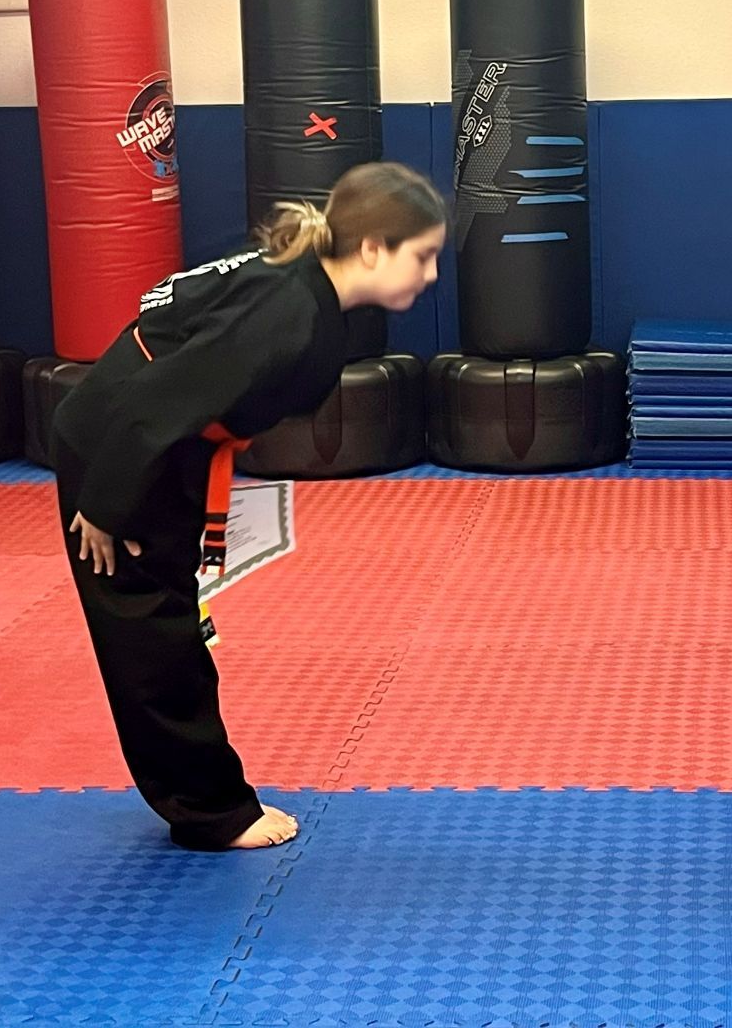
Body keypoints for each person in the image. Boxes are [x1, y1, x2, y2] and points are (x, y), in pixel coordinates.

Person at [51, 162, 446, 851]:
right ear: (375, 248)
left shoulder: (302, 292)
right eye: (424, 256)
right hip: (122, 448)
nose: (432, 274)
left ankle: (205, 797)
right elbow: (155, 399)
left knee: (168, 622)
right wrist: (105, 506)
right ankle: (212, 811)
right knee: (152, 638)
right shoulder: (287, 311)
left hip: (154, 445)